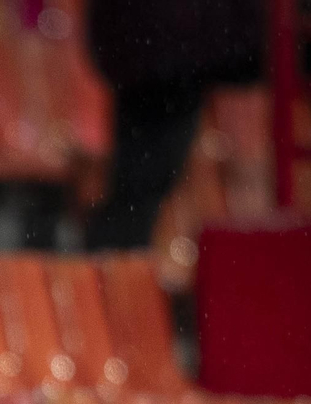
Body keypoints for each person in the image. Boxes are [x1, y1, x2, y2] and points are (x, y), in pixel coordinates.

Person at [84, 0, 264, 249]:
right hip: (168, 49)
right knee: (142, 187)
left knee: (141, 188)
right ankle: (120, 264)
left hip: (161, 48)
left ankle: (120, 262)